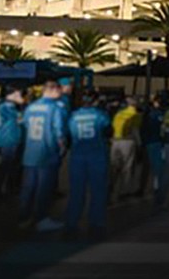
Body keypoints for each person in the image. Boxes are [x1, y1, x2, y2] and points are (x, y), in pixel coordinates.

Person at [19, 80, 68, 232]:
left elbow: (25, 125)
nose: (61, 93)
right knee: (44, 189)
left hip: (30, 152)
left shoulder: (31, 107)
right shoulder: (55, 108)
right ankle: (41, 219)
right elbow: (59, 130)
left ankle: (23, 218)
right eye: (59, 90)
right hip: (47, 153)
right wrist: (62, 146)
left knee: (28, 188)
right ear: (53, 90)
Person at [65, 92, 112, 238]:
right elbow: (108, 131)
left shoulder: (73, 116)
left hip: (78, 156)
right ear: (95, 101)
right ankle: (96, 223)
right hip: (97, 155)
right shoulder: (100, 115)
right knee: (98, 191)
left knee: (76, 191)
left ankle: (72, 223)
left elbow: (68, 135)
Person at [0, 86, 25, 199]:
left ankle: (5, 189)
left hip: (10, 138)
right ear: (13, 94)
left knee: (9, 165)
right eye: (19, 94)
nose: (21, 97)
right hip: (9, 139)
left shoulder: (7, 106)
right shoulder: (7, 106)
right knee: (6, 165)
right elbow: (21, 119)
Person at [109, 96, 141, 201]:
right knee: (127, 167)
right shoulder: (135, 115)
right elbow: (135, 130)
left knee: (114, 167)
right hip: (128, 141)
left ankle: (110, 188)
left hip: (115, 142)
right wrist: (139, 144)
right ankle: (124, 191)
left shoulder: (119, 114)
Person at [138, 93, 166, 201]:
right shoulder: (159, 114)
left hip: (148, 142)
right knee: (158, 169)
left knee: (147, 168)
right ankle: (157, 190)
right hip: (157, 142)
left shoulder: (148, 114)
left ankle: (143, 189)